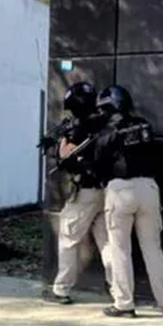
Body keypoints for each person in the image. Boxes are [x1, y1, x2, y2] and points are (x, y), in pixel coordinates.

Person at [90, 84, 163, 318]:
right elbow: (158, 157)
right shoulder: (144, 125)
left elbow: (97, 166)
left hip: (120, 190)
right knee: (153, 249)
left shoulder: (106, 133)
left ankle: (124, 304)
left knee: (120, 250)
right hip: (149, 188)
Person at [42, 81, 110, 305]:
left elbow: (65, 161)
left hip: (85, 192)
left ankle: (61, 289)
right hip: (107, 191)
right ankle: (118, 288)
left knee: (69, 239)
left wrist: (59, 144)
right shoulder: (105, 122)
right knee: (107, 243)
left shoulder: (77, 130)